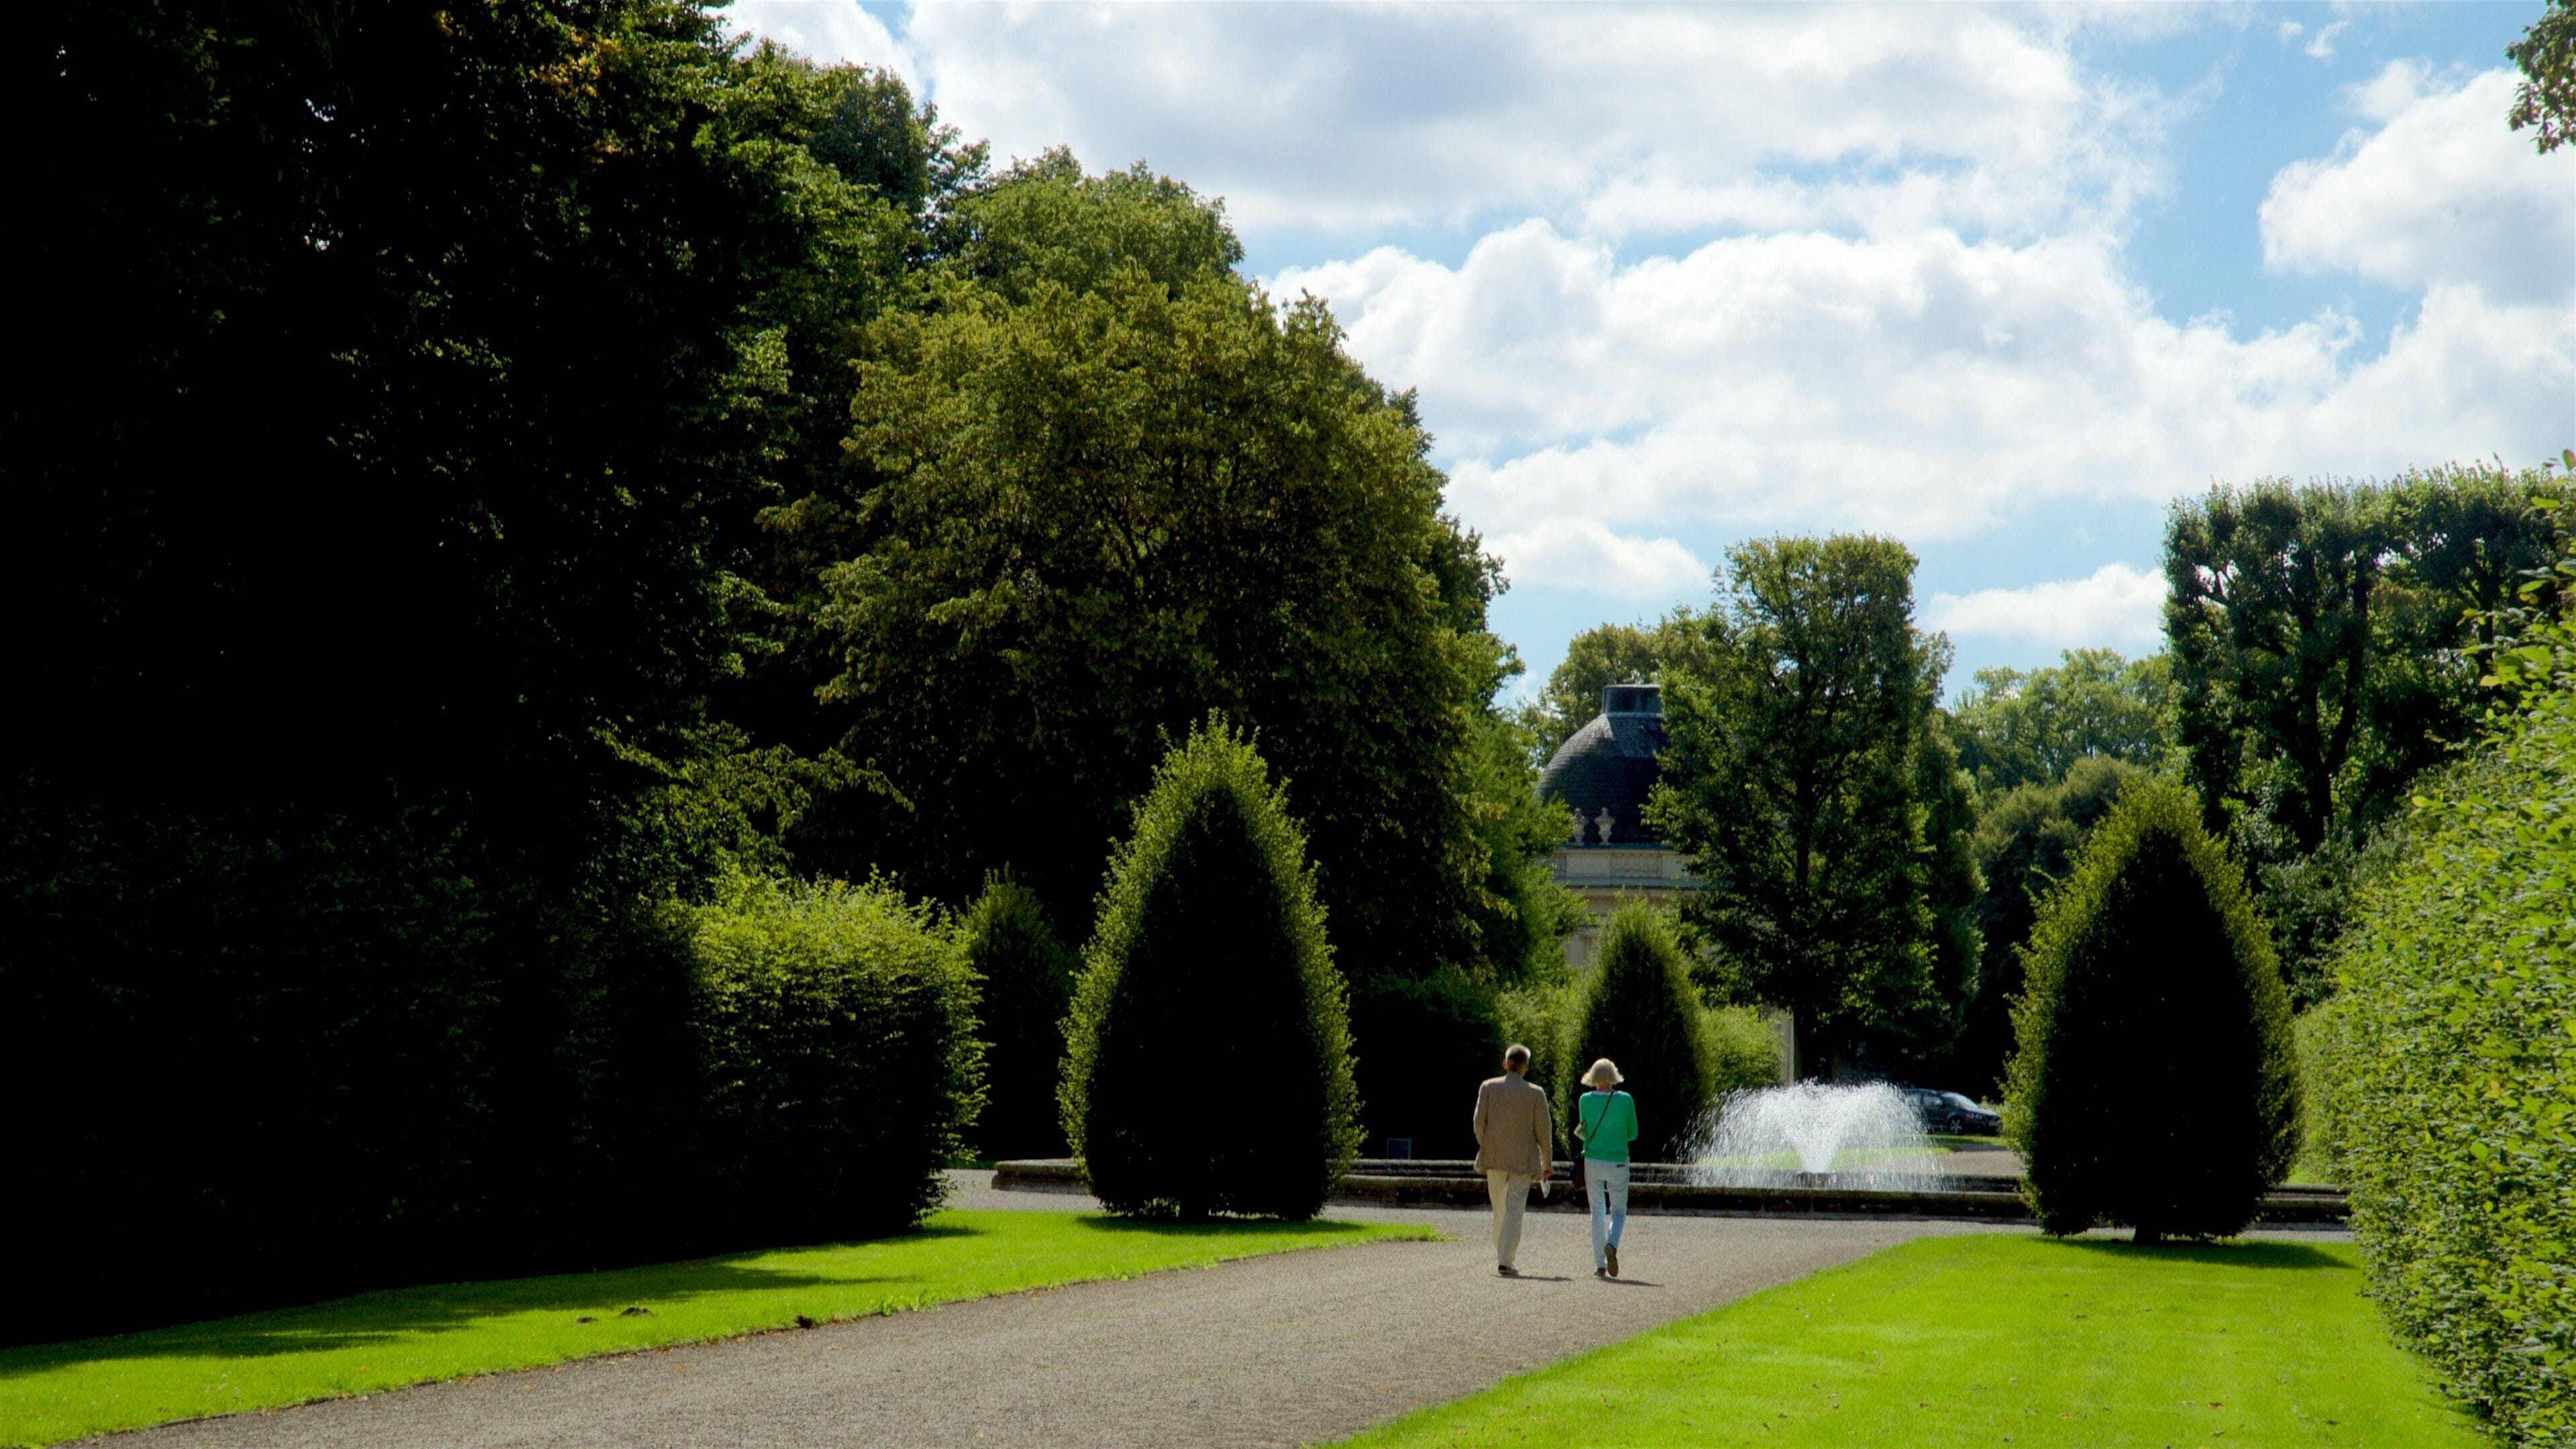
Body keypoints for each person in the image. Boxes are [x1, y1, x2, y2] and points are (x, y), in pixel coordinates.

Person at [1471, 1043, 1554, 1277]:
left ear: (1505, 1064)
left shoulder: (1488, 1087)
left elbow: (1479, 1124)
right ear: (1526, 1067)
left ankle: (1502, 1251)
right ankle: (1505, 1258)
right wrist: (1546, 1163)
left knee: (1499, 1207)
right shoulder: (1536, 1093)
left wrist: (1486, 1144)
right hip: (1523, 1159)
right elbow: (1544, 1133)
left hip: (1494, 1156)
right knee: (1515, 1208)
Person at [1575, 1058, 1639, 1279]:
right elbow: (1633, 1134)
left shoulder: (1585, 1100)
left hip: (1593, 1160)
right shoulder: (1625, 1100)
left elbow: (1583, 1129)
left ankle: (1600, 1264)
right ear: (1614, 1076)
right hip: (1618, 1160)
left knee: (1597, 1212)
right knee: (1619, 1211)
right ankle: (1612, 1243)